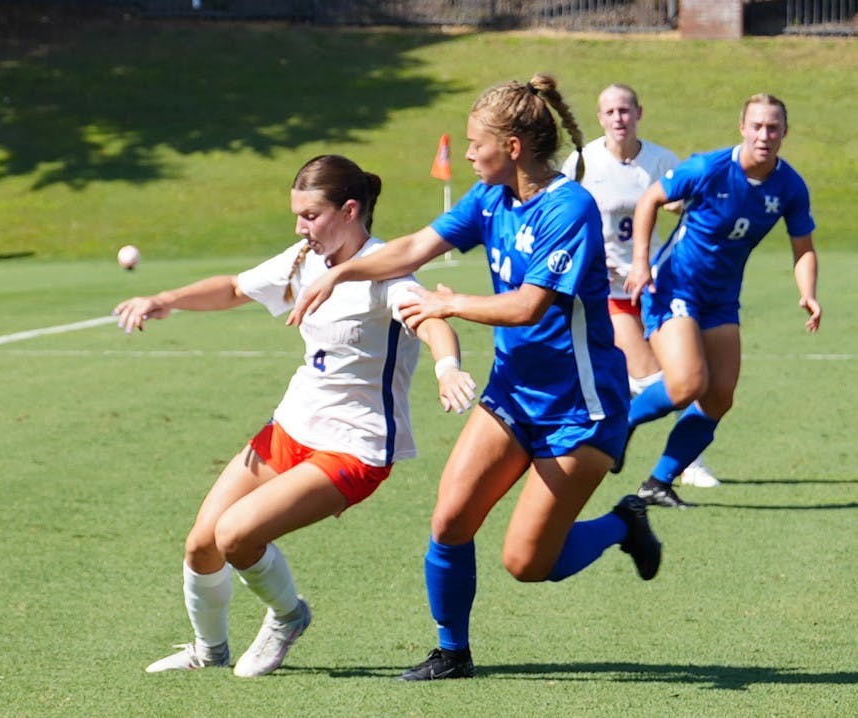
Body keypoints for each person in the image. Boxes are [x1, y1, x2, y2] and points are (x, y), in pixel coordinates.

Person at [289, 75, 662, 682]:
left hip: (581, 409)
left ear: (512, 146)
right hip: (513, 393)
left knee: (527, 562)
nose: (466, 154)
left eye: (475, 143)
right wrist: (340, 274)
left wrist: (448, 304)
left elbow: (527, 306)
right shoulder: (491, 199)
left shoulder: (568, 208)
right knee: (450, 520)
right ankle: (452, 653)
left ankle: (624, 523)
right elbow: (413, 248)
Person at [114, 154, 478, 678]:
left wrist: (446, 367)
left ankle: (288, 616)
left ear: (349, 210)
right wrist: (165, 298)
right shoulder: (304, 258)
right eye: (297, 216)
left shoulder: (386, 271)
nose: (300, 227)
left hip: (354, 446)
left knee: (236, 535)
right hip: (291, 425)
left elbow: (431, 322)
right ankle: (208, 649)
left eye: (310, 215)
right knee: (201, 543)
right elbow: (236, 288)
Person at [624, 93, 820, 509]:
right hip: (674, 287)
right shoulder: (707, 168)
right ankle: (620, 424)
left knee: (719, 397)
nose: (764, 135)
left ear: (785, 132)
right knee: (688, 384)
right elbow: (650, 200)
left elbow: (803, 246)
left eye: (773, 127)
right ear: (742, 128)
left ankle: (658, 482)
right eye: (757, 126)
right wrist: (640, 263)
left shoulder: (790, 186)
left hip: (721, 300)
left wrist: (808, 293)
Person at [561, 85, 720, 489]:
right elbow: (560, 216)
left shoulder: (660, 159)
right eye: (610, 111)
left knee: (689, 377)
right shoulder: (582, 162)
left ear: (639, 114)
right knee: (658, 381)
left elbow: (687, 206)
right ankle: (681, 458)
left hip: (655, 287)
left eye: (625, 110)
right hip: (607, 289)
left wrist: (680, 204)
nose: (618, 118)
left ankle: (684, 460)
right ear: (600, 118)